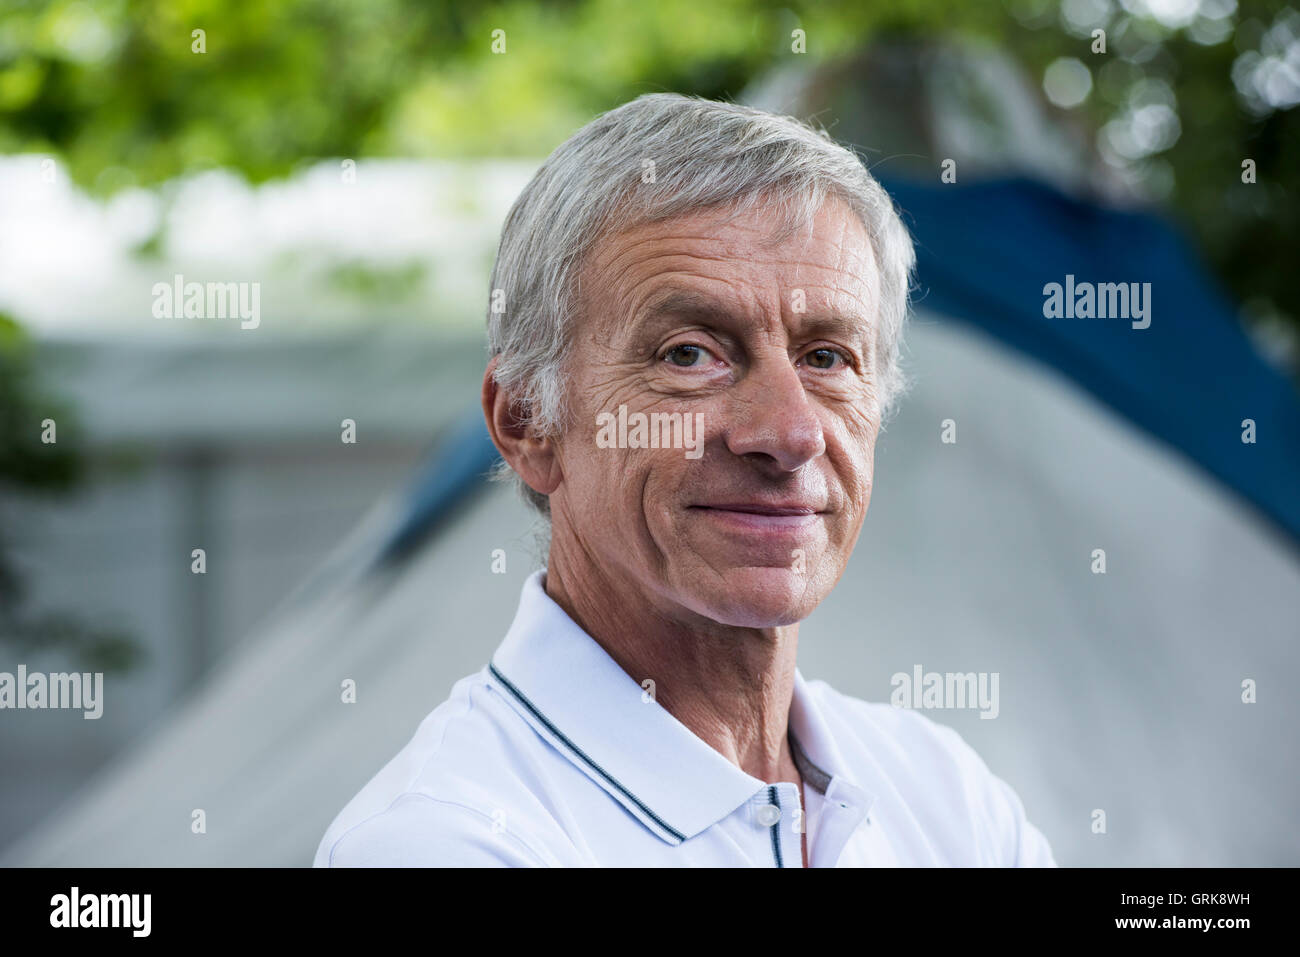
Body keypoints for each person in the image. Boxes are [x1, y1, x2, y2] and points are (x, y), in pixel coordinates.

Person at [315, 93, 1056, 867]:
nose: (790, 434)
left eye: (827, 357)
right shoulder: (445, 838)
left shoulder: (945, 795)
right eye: (689, 353)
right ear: (528, 423)